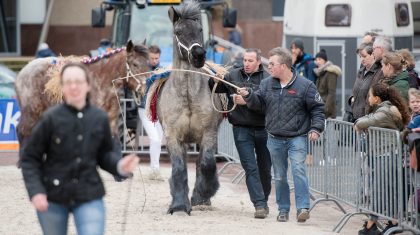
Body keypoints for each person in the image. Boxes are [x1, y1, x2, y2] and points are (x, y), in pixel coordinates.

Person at [20, 63, 139, 235]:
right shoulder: (49, 119)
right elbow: (29, 158)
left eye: (78, 81)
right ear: (62, 86)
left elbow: (104, 155)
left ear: (88, 85)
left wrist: (120, 166)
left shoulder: (99, 118)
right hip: (53, 196)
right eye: (68, 82)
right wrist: (36, 191)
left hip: (89, 194)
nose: (74, 86)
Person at [238, 47, 325, 223]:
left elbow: (318, 109)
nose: (268, 67)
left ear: (284, 66)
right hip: (274, 138)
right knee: (279, 175)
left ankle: (303, 208)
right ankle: (283, 209)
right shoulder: (267, 84)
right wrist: (249, 96)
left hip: (297, 137)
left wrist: (316, 129)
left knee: (298, 170)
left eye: (272, 64)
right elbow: (259, 105)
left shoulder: (306, 85)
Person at [208, 48, 272, 219]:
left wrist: (247, 101)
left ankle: (263, 200)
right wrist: (213, 80)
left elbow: (269, 105)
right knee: (250, 167)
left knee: (265, 169)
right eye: (245, 60)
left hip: (263, 129)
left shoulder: (268, 79)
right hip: (241, 129)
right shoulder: (232, 76)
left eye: (250, 61)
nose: (246, 64)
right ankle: (259, 204)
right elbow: (218, 89)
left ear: (259, 62)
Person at [354, 83, 410, 235]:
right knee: (384, 190)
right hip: (385, 154)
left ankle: (371, 225)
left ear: (377, 99)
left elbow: (362, 122)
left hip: (386, 155)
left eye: (370, 96)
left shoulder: (384, 112)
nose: (368, 98)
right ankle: (390, 222)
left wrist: (360, 122)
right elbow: (367, 118)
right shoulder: (384, 109)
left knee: (379, 191)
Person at [139, 45, 164, 180]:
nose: (154, 60)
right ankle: (154, 170)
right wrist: (152, 77)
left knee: (158, 140)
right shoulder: (142, 70)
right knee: (154, 138)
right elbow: (145, 84)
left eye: (156, 58)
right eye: (152, 58)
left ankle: (155, 168)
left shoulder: (162, 69)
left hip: (158, 110)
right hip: (144, 109)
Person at [349, 43, 380, 121]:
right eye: (360, 57)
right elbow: (355, 90)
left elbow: (373, 95)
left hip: (367, 117)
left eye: (364, 56)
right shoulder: (361, 71)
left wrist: (367, 114)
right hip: (355, 115)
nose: (362, 59)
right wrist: (352, 99)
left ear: (372, 55)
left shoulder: (378, 72)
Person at [313, 49, 341, 118]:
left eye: (320, 59)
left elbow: (331, 93)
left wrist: (325, 109)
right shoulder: (319, 73)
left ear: (325, 60)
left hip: (328, 112)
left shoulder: (330, 73)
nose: (317, 62)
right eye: (316, 60)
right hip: (319, 109)